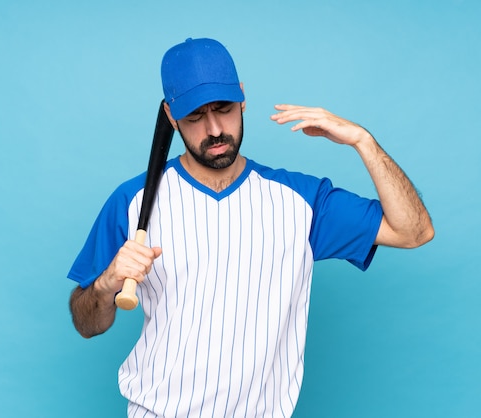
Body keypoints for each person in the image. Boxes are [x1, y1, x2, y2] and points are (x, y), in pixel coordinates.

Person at [68, 37, 434, 417]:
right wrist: (106, 283)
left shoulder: (302, 201)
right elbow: (86, 322)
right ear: (171, 116)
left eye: (224, 109)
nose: (213, 129)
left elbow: (413, 231)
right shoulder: (133, 202)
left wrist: (363, 141)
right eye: (195, 116)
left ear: (242, 98)